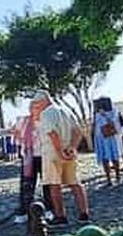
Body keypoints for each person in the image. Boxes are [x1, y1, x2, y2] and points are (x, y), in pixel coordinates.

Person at [32, 90, 90, 225]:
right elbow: (78, 131)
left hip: (52, 152)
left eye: (37, 103)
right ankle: (84, 213)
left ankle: (61, 216)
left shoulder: (45, 114)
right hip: (69, 150)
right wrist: (72, 147)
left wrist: (59, 152)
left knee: (54, 184)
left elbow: (52, 134)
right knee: (75, 182)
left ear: (43, 101)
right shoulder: (66, 111)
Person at [13, 113, 55, 223]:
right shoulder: (23, 121)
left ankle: (49, 209)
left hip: (44, 155)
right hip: (29, 157)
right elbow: (18, 140)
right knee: (26, 185)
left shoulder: (46, 120)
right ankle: (24, 211)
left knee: (47, 184)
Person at [93, 98, 122, 186]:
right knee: (104, 158)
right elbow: (95, 124)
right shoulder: (96, 113)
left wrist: (105, 114)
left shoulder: (113, 111)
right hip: (100, 137)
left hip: (110, 136)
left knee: (114, 156)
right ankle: (108, 179)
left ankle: (118, 176)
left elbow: (114, 122)